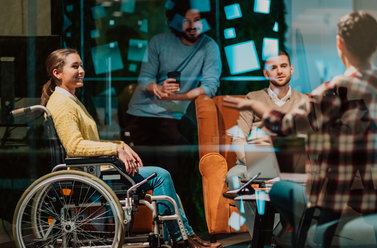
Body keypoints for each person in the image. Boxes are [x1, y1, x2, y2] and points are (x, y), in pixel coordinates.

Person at [224, 11, 377, 247]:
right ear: (376, 44)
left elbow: (286, 126)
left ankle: (290, 238)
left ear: (340, 44)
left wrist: (257, 108)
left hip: (343, 191)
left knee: (284, 191)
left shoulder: (335, 90)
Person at [40, 48, 221, 248]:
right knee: (160, 176)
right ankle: (181, 240)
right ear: (57, 73)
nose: (81, 70)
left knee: (163, 181)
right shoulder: (63, 104)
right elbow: (74, 147)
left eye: (81, 65)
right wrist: (116, 149)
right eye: (75, 66)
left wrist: (120, 145)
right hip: (89, 177)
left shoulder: (70, 100)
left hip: (95, 171)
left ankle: (183, 237)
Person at [125, 0, 221, 168]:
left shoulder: (209, 46)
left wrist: (179, 97)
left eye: (197, 19)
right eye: (186, 20)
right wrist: (157, 88)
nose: (192, 25)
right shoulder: (158, 42)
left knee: (169, 171)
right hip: (140, 114)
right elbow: (144, 78)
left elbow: (210, 86)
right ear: (177, 20)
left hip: (171, 116)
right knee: (140, 172)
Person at [224, 50, 307, 235]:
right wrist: (251, 161)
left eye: (283, 66)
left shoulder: (303, 101)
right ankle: (260, 239)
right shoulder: (252, 98)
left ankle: (273, 238)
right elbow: (238, 137)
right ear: (265, 73)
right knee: (234, 177)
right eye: (273, 68)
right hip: (252, 161)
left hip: (289, 165)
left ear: (291, 69)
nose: (279, 71)